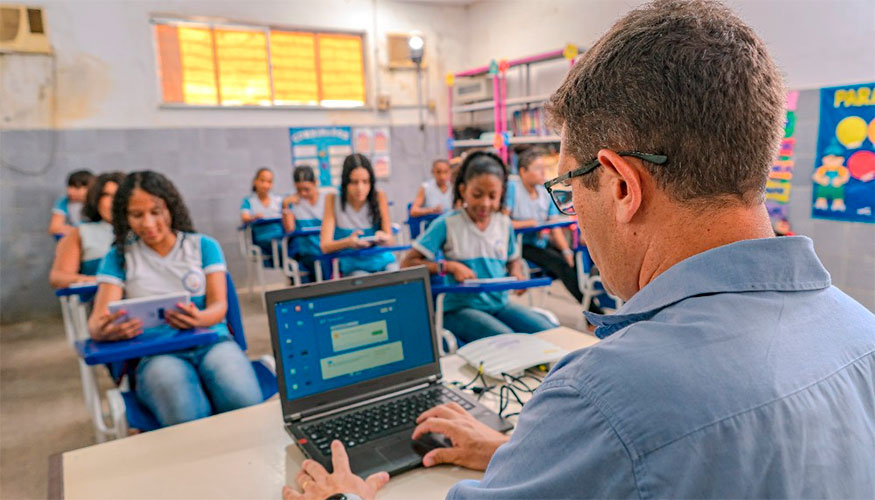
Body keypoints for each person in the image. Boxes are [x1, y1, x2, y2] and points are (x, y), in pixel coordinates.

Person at [282, 1, 875, 499]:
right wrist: (527, 458)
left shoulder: (601, 400)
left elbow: (634, 442)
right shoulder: (861, 335)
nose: (574, 221)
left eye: (567, 189)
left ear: (620, 186)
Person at [88, 171, 262, 427]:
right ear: (125, 217)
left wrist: (200, 318)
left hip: (212, 342)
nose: (148, 223)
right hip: (155, 355)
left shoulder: (203, 247)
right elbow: (96, 323)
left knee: (243, 401)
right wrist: (107, 331)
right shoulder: (118, 257)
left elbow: (219, 307)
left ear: (171, 207)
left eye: (156, 211)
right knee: (186, 416)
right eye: (136, 215)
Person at [401, 151, 555, 342]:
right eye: (477, 194)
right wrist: (447, 266)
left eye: (493, 196)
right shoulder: (447, 224)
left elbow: (512, 259)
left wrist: (517, 273)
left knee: (551, 333)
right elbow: (407, 264)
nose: (485, 203)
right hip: (460, 309)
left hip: (500, 304)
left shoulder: (503, 223)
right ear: (463, 190)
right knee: (510, 342)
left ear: (502, 195)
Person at [506, 146, 582, 303]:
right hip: (521, 246)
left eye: (544, 168)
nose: (543, 173)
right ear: (522, 171)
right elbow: (503, 223)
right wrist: (528, 223)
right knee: (560, 264)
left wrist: (566, 251)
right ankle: (592, 312)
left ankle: (589, 303)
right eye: (538, 168)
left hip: (541, 242)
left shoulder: (544, 193)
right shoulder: (513, 189)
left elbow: (554, 227)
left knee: (573, 260)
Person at [320, 154, 399, 277]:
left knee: (396, 275)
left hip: (382, 259)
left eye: (365, 182)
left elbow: (391, 241)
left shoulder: (379, 196)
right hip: (353, 263)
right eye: (354, 182)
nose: (360, 188)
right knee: (361, 280)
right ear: (345, 183)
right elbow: (325, 246)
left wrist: (384, 237)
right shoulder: (332, 199)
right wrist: (348, 242)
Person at [49, 171, 125, 288]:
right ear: (96, 198)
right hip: (98, 298)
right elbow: (58, 277)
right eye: (106, 195)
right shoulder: (82, 231)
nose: (113, 202)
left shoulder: (142, 230)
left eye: (118, 196)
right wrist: (97, 280)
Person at [282, 165, 329, 280]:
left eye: (307, 189)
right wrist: (285, 206)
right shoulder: (292, 201)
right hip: (306, 252)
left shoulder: (327, 200)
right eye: (298, 190)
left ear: (315, 182)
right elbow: (290, 229)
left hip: (326, 249)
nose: (302, 193)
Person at [240, 167, 285, 262]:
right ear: (255, 181)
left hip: (281, 236)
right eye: (262, 180)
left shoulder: (278, 200)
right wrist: (254, 217)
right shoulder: (249, 201)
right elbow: (245, 217)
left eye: (269, 182)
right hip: (262, 238)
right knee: (280, 248)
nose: (265, 185)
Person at [48, 169, 94, 236]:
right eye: (69, 186)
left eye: (77, 188)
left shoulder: (97, 202)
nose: (70, 191)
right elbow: (54, 228)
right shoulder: (64, 201)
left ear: (89, 188)